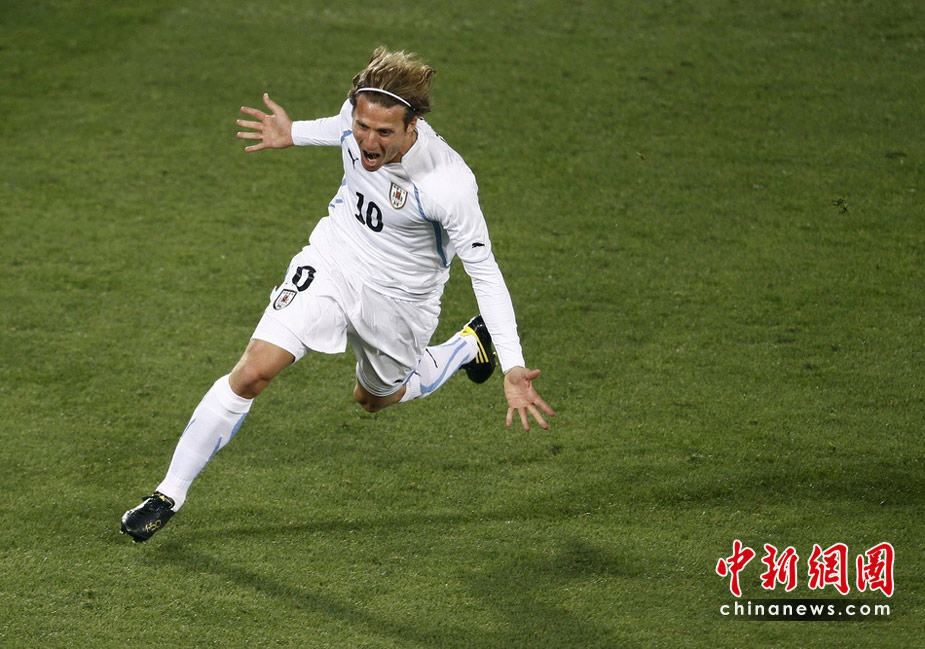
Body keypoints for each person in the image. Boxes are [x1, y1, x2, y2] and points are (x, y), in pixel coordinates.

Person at [121, 47, 554, 543]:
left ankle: (464, 347)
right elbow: (339, 127)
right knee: (253, 371)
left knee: (373, 400)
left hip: (401, 300)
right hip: (334, 260)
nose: (368, 141)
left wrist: (513, 365)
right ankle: (168, 494)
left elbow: (486, 272)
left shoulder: (447, 183)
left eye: (384, 133)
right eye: (363, 125)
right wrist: (293, 133)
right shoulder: (357, 122)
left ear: (412, 125)